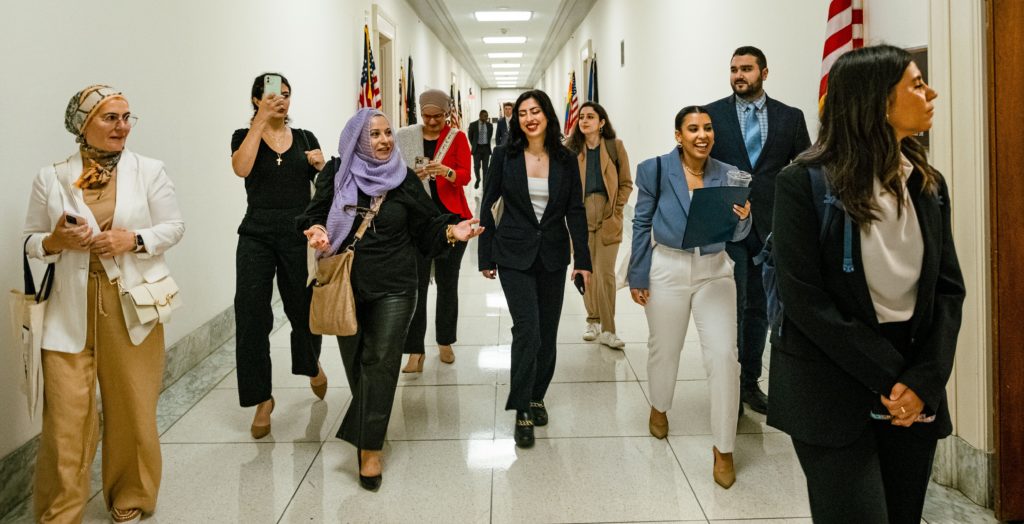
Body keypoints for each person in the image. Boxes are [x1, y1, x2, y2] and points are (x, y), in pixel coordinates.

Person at [769, 44, 964, 523]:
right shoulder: (803, 184)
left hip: (912, 380)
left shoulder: (926, 184)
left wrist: (922, 381)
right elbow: (804, 300)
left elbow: (947, 290)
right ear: (878, 102)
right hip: (830, 380)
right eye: (916, 85)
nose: (930, 92)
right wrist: (893, 379)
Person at [24, 85, 185, 523]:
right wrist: (55, 240)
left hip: (130, 304)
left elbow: (173, 226)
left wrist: (132, 239)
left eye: (127, 117)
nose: (122, 126)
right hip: (67, 308)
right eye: (110, 117)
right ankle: (61, 510)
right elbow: (31, 241)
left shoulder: (148, 170)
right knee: (64, 420)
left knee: (132, 407)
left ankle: (130, 493)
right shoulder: (51, 176)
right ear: (82, 123)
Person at [298, 108, 482, 491]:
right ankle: (371, 422)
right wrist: (315, 230)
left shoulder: (403, 179)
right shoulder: (336, 173)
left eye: (387, 133)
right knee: (357, 365)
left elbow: (428, 225)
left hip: (397, 285)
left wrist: (453, 231)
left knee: (380, 360)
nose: (384, 141)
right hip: (345, 284)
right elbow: (312, 214)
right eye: (374, 135)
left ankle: (369, 449)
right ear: (357, 140)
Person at [627, 106, 751, 489]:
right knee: (665, 349)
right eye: (693, 128)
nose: (703, 135)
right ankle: (660, 405)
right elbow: (642, 222)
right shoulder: (655, 169)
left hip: (714, 269)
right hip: (667, 267)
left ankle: (724, 448)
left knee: (723, 356)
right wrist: (638, 273)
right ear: (678, 135)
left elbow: (739, 234)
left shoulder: (731, 174)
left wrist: (744, 217)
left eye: (708, 128)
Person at [478, 89, 592, 448]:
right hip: (513, 254)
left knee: (547, 332)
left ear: (547, 116)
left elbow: (575, 210)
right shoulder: (504, 155)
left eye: (536, 111)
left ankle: (537, 394)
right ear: (517, 120)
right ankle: (522, 408)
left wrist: (583, 262)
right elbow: (488, 203)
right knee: (527, 330)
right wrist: (485, 255)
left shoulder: (565, 157)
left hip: (553, 256)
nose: (529, 118)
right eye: (523, 113)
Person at [704, 46, 811, 415]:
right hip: (726, 225)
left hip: (770, 227)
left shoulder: (790, 118)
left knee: (760, 309)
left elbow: (804, 170)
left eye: (746, 69)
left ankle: (750, 382)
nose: (738, 75)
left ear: (764, 73)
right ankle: (727, 386)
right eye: (733, 69)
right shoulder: (712, 115)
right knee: (731, 307)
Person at [230, 73, 327, 439]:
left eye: (286, 95)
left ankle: (310, 364)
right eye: (273, 95)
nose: (281, 101)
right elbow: (241, 168)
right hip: (256, 233)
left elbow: (325, 189)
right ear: (257, 99)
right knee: (252, 312)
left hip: (298, 233)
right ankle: (262, 400)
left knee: (302, 308)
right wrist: (259, 124)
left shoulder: (305, 139)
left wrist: (320, 167)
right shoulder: (244, 137)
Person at [395, 89, 474, 372]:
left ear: (447, 114)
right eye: (427, 116)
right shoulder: (404, 137)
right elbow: (392, 172)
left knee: (447, 283)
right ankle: (415, 350)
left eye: (438, 116)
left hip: (453, 220)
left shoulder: (457, 138)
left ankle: (444, 340)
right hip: (417, 222)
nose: (431, 122)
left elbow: (466, 175)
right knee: (416, 286)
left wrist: (446, 172)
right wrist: (409, 177)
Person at [565, 102, 633, 349]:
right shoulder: (571, 151)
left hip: (607, 217)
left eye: (590, 116)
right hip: (580, 218)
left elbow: (626, 183)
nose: (584, 120)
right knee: (586, 272)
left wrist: (615, 211)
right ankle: (592, 320)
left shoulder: (615, 148)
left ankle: (609, 329)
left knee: (605, 275)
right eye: (581, 116)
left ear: (601, 122)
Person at [468, 109, 494, 189]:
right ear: (480, 115)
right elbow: (470, 137)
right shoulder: (473, 125)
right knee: (476, 166)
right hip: (477, 149)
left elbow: (489, 137)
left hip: (486, 148)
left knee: (485, 168)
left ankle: (484, 184)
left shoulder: (490, 126)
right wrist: (475, 145)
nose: (486, 117)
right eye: (485, 116)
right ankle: (478, 179)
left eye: (487, 116)